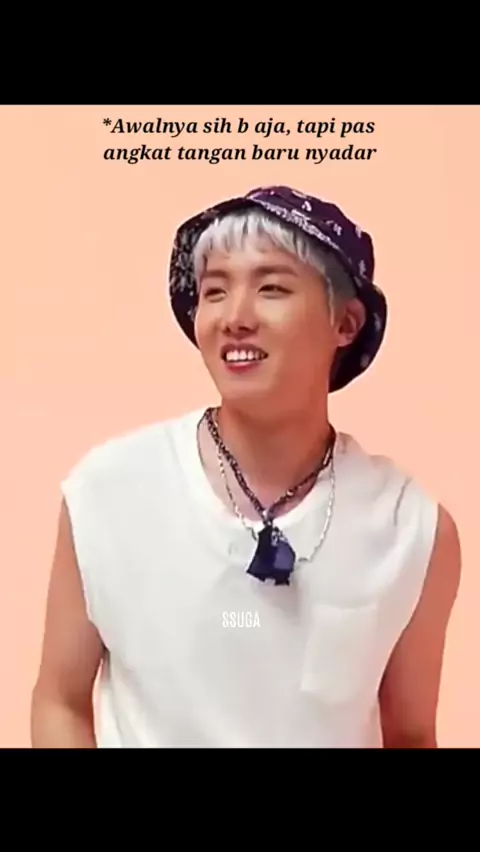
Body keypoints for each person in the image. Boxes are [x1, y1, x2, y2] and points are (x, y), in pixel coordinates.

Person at [30, 184, 461, 748]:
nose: (234, 317)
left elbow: (411, 733)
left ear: (346, 323)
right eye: (214, 291)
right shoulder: (107, 492)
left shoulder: (412, 529)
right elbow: (60, 703)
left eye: (271, 287)